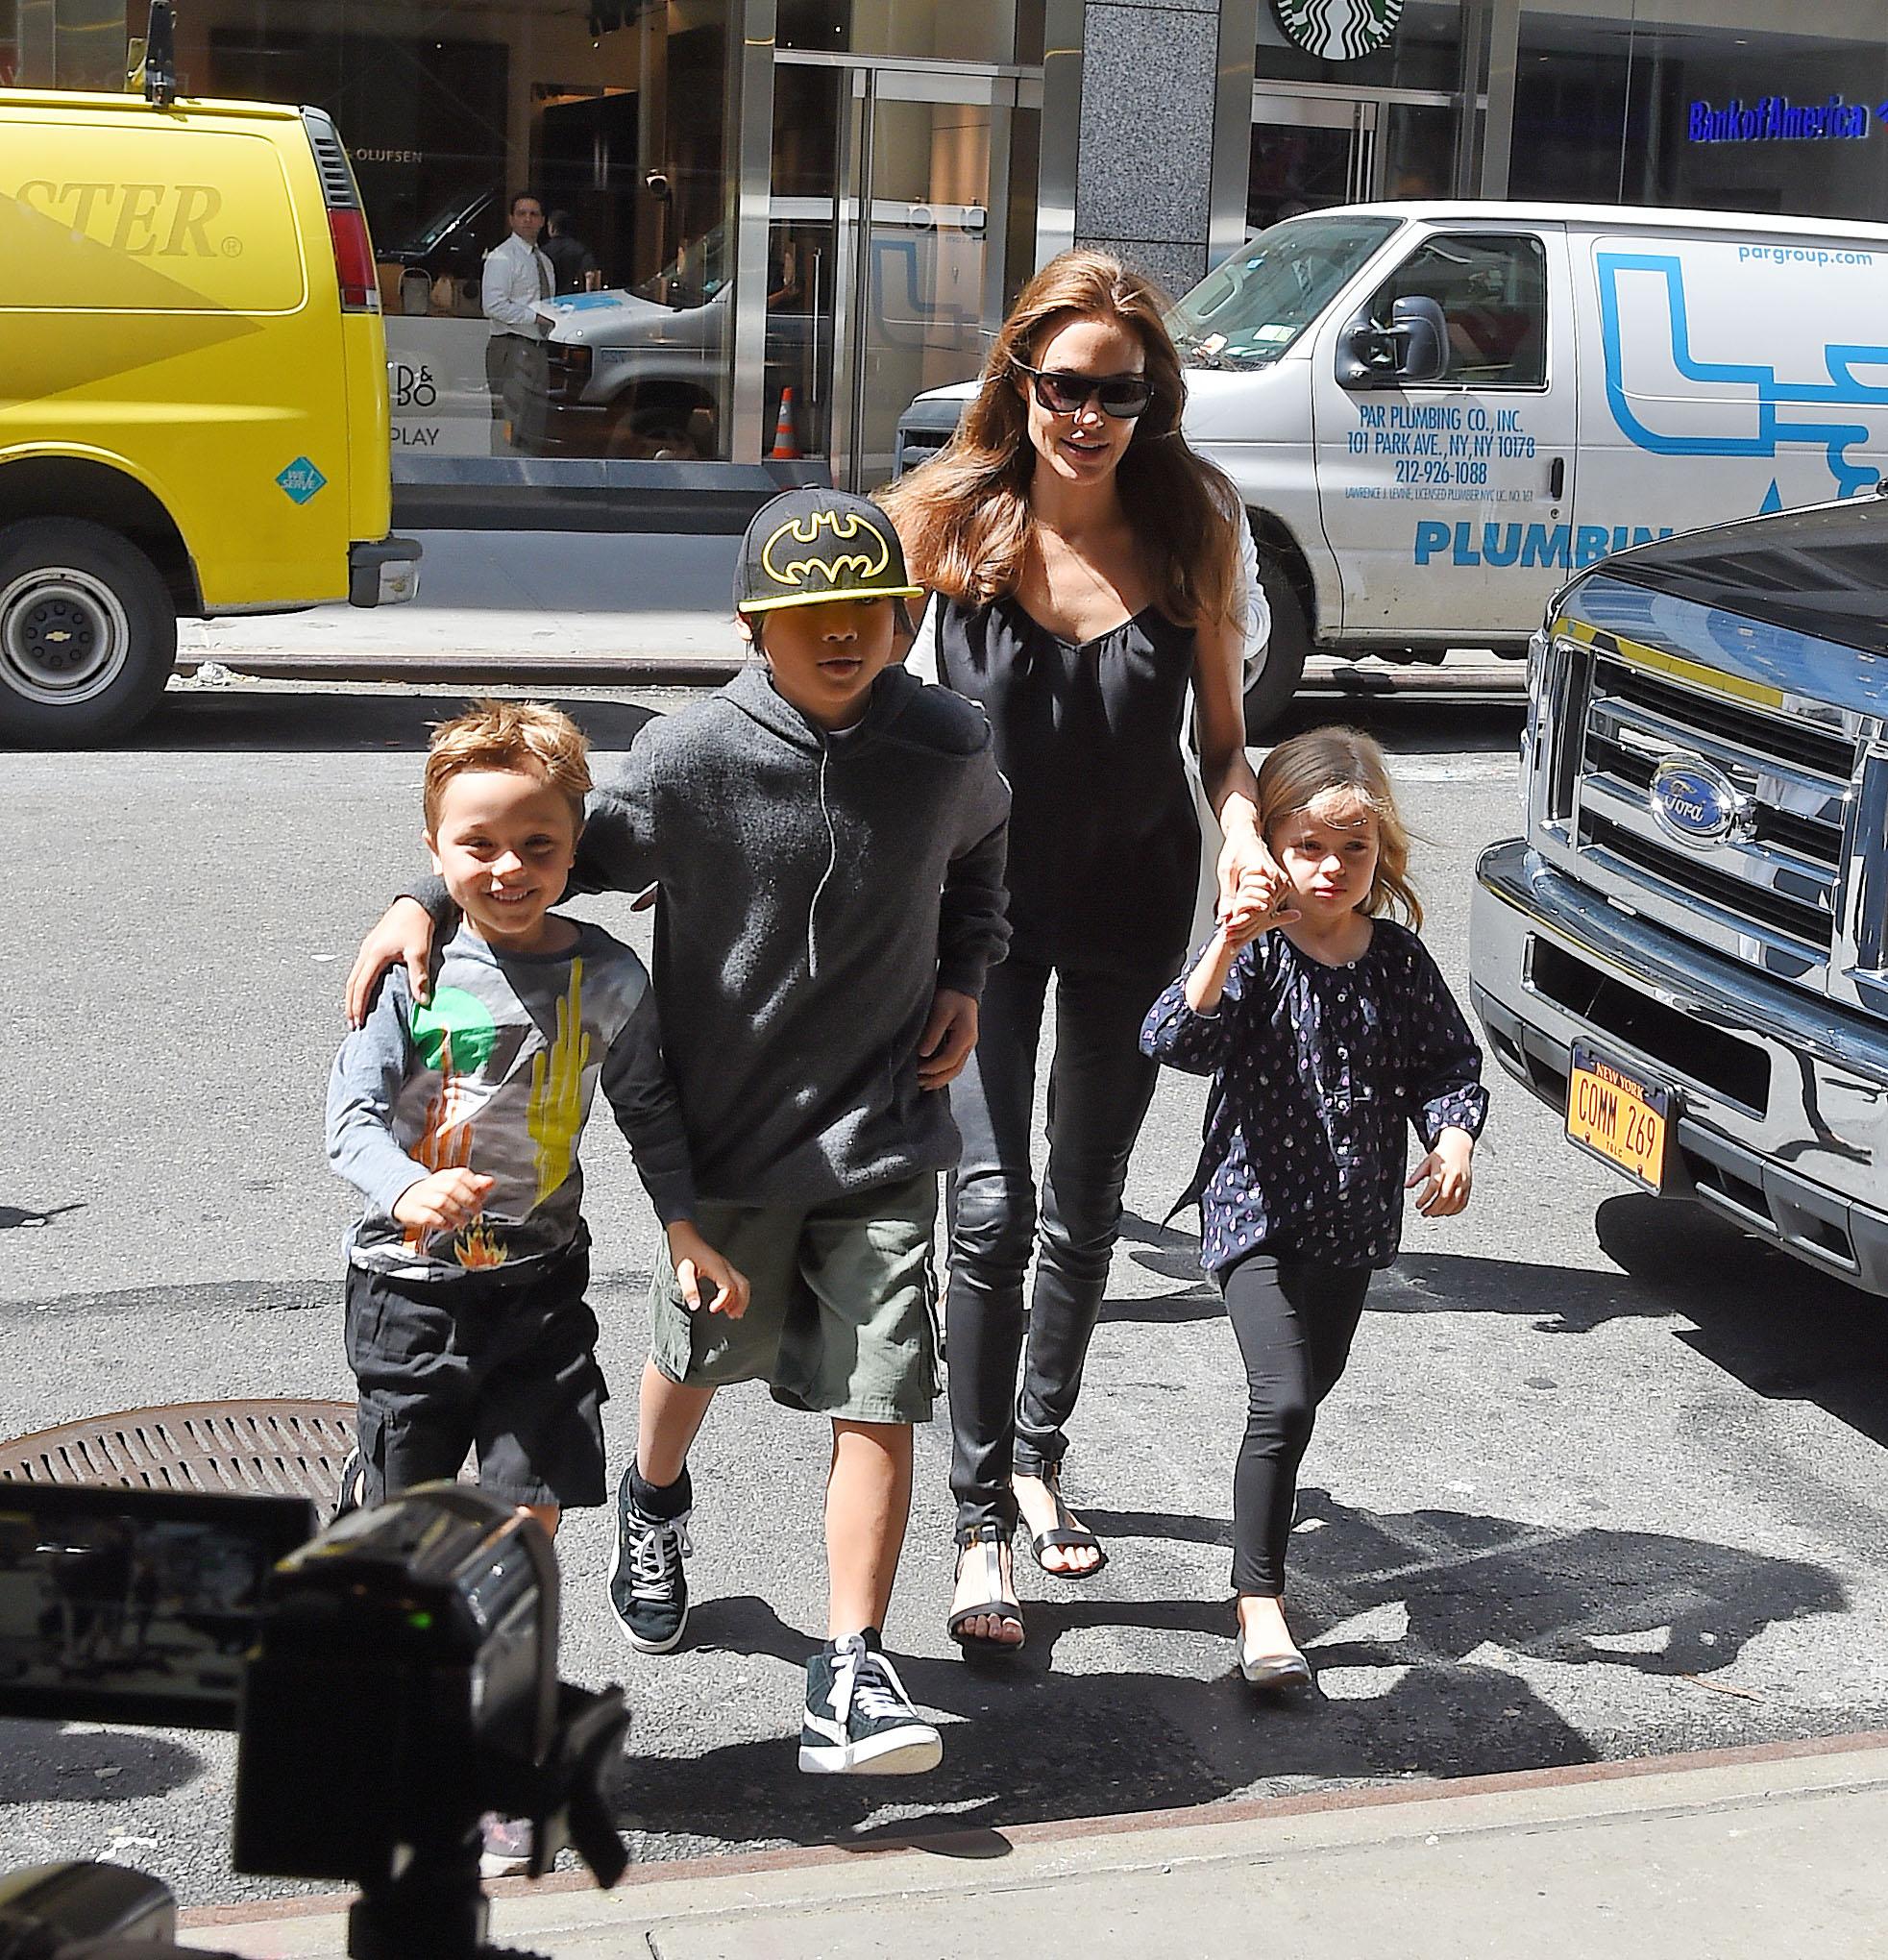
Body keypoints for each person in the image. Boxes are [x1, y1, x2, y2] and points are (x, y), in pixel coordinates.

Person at [343, 490, 1012, 1776]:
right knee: (699, 1357)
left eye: (863, 613)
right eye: (806, 616)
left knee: (880, 1397)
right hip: (728, 1138)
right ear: (756, 625)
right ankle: (653, 1500)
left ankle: (852, 1665)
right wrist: (417, 898)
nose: (838, 638)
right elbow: (537, 845)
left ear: (897, 618)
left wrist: (965, 975)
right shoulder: (690, 755)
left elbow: (983, 852)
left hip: (884, 1131)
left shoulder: (946, 742)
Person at [879, 248, 1280, 1654]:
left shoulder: (1190, 531)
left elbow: (1223, 749)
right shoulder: (943, 517)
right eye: (1063, 386)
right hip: (975, 916)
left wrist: (1242, 834)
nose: (1088, 415)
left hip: (1131, 907)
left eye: (1119, 390)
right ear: (1020, 382)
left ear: (1152, 399)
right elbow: (815, 687)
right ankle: (979, 1516)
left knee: (1087, 1203)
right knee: (987, 1210)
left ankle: (1039, 1451)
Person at [326, 699, 748, 1871]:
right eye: (478, 845)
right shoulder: (410, 970)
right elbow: (348, 1118)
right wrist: (406, 1186)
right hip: (409, 1294)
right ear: (435, 844)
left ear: (578, 848)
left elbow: (650, 1113)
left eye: (539, 846)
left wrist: (683, 1232)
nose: (509, 869)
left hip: (538, 1294)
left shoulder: (606, 977)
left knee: (524, 1525)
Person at [1140, 728, 1487, 1687]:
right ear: (1272, 850)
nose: (1331, 870)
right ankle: (1260, 1605)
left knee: (1305, 1393)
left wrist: (1451, 1138)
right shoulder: (1255, 954)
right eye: (1308, 847)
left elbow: (1449, 1069)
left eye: (1354, 850)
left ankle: (1271, 1513)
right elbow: (1172, 1039)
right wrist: (1224, 939)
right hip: (1253, 1215)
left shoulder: (1398, 961)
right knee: (1282, 1398)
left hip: (1352, 1226)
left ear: (1382, 857)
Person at [481, 191, 554, 453]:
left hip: (538, 346)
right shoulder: (503, 257)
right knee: (508, 417)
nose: (527, 219)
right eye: (521, 214)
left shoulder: (544, 261)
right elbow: (493, 305)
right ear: (511, 220)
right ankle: (503, 475)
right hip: (510, 344)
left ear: (543, 221)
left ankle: (526, 477)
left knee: (534, 419)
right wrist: (534, 317)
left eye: (533, 214)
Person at [542, 209, 600, 296]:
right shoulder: (581, 249)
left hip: (552, 300)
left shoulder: (543, 252)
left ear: (552, 227)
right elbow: (591, 275)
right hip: (576, 299)